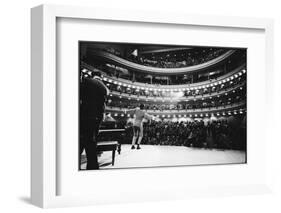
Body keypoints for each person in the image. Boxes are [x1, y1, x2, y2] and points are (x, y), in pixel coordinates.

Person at [79, 71, 109, 170]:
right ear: (101, 77)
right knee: (91, 140)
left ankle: (92, 165)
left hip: (86, 114)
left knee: (85, 140)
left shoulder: (87, 81)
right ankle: (92, 166)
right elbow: (104, 104)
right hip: (98, 117)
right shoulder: (104, 87)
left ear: (92, 75)